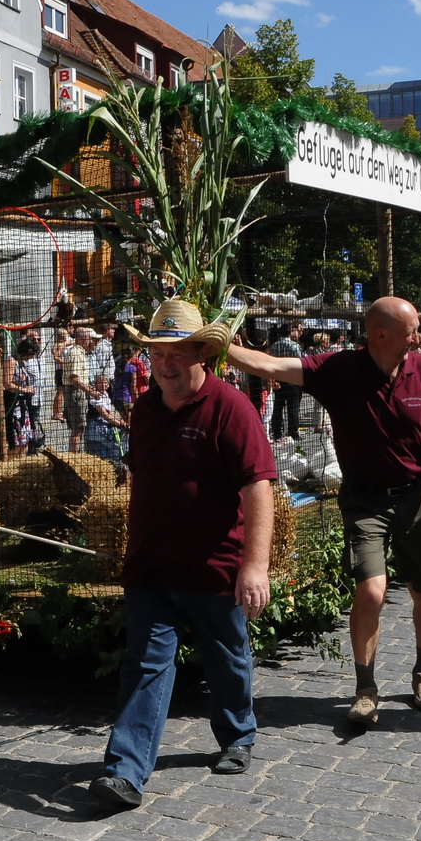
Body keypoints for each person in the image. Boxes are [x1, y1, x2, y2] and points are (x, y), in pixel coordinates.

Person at [229, 296, 421, 726]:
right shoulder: (339, 369)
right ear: (380, 335)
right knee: (371, 590)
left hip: (418, 495)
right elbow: (271, 367)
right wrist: (219, 345)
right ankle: (365, 687)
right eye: (411, 330)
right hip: (365, 499)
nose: (418, 337)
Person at [89, 300, 275, 810]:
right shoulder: (146, 409)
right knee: (146, 665)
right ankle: (125, 772)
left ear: (203, 354)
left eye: (176, 352)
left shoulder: (230, 407)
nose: (165, 362)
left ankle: (238, 734)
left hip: (214, 565)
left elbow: (258, 487)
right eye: (158, 353)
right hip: (151, 565)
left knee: (226, 657)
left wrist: (254, 567)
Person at [2, 335, 42, 456]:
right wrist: (24, 389)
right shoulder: (11, 361)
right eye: (31, 354)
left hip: (24, 405)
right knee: (15, 439)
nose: (31, 358)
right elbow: (7, 383)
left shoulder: (22, 363)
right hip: (13, 405)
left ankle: (22, 464)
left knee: (25, 439)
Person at [267, 323, 304, 441]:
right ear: (289, 332)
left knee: (278, 406)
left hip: (279, 380)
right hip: (292, 380)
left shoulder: (274, 346)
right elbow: (300, 362)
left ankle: (277, 431)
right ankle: (293, 432)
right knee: (293, 407)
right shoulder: (294, 346)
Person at [58, 327, 93, 453]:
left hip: (77, 391)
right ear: (83, 338)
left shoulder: (79, 352)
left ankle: (75, 454)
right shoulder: (76, 353)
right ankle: (73, 456)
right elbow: (74, 379)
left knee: (79, 428)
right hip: (76, 392)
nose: (90, 340)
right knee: (77, 428)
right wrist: (91, 391)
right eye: (89, 337)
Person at [84, 374, 128, 463]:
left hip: (103, 426)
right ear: (95, 384)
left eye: (105, 383)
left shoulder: (105, 394)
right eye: (100, 383)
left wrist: (120, 421)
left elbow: (110, 413)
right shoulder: (95, 395)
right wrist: (120, 424)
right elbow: (104, 414)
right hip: (96, 429)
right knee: (112, 451)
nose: (103, 385)